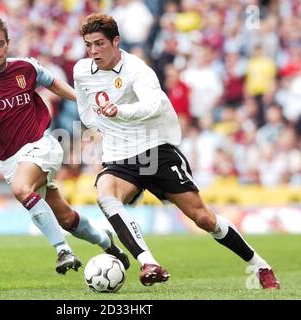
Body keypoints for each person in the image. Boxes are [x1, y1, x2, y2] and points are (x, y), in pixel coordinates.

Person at [74, 13, 280, 289]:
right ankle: (149, 262)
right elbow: (86, 114)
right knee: (105, 194)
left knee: (204, 219)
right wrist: (100, 123)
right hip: (119, 156)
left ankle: (260, 265)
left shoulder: (138, 70)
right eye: (88, 45)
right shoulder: (81, 71)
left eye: (99, 44)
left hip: (156, 150)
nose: (93, 51)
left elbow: (153, 105)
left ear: (116, 41)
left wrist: (118, 111)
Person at [0, 15, 129, 275]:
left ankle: (62, 251)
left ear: (8, 43)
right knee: (66, 218)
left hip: (41, 144)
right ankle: (108, 243)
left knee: (22, 189)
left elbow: (53, 84)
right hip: (11, 160)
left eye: (0, 43)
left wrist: (87, 104)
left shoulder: (25, 68)